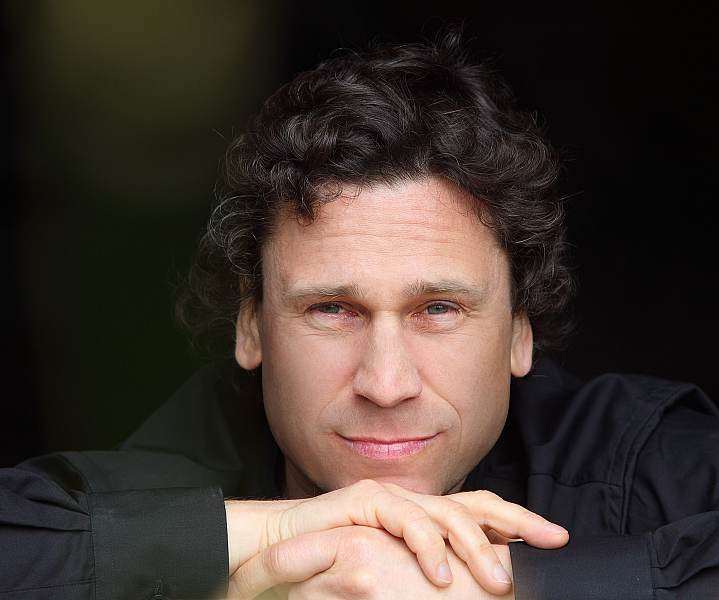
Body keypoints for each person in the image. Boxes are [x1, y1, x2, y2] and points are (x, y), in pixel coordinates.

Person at [3, 30, 718, 600]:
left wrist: (490, 589)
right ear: (250, 325)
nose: (385, 383)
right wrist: (279, 534)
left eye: (438, 308)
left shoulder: (644, 464)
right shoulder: (164, 480)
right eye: (332, 309)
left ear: (519, 330)